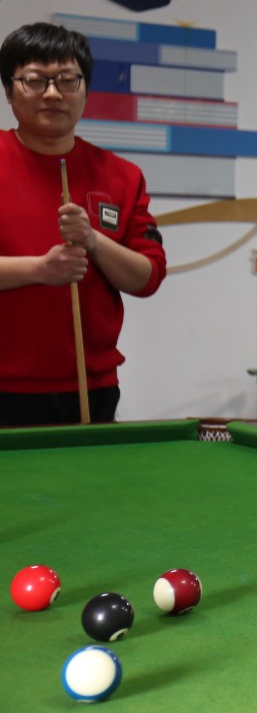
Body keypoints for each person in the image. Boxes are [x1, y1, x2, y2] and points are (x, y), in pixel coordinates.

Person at [0, 22, 166, 426]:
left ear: (86, 90)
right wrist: (40, 269)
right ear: (8, 91)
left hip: (91, 388)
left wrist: (94, 241)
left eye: (67, 80)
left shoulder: (121, 176)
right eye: (35, 80)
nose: (53, 93)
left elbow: (148, 277)